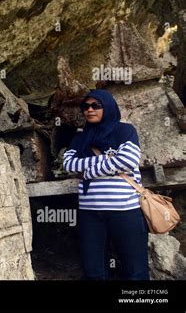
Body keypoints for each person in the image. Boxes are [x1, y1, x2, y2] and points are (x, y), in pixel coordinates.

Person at [63, 89, 149, 280]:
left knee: (135, 270)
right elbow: (69, 164)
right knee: (94, 271)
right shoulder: (80, 137)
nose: (89, 110)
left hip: (126, 211)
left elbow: (128, 160)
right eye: (85, 106)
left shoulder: (124, 131)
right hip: (90, 214)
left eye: (96, 105)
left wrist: (89, 172)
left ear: (108, 107)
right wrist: (110, 161)